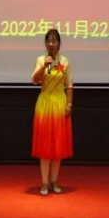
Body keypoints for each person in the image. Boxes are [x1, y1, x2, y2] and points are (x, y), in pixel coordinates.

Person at [31, 28, 73, 196]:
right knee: (45, 146)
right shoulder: (41, 60)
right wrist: (44, 66)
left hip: (60, 103)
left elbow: (69, 85)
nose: (51, 44)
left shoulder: (65, 61)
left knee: (57, 145)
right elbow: (35, 80)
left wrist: (69, 104)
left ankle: (54, 180)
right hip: (45, 104)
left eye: (54, 41)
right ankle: (44, 182)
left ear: (59, 43)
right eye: (48, 41)